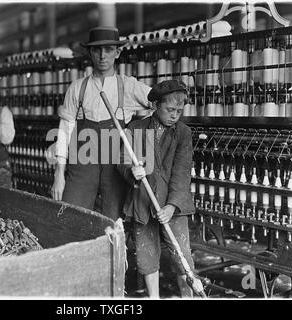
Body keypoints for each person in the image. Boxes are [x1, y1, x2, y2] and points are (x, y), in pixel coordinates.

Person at [51, 26, 152, 221]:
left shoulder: (128, 86)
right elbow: (65, 131)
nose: (102, 56)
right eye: (97, 50)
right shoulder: (77, 88)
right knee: (71, 214)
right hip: (82, 162)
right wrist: (59, 175)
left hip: (115, 164)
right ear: (90, 52)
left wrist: (141, 139)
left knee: (113, 220)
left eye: (108, 50)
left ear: (118, 52)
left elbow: (161, 102)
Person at [117, 80, 196, 297]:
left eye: (179, 111)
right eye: (170, 110)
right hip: (143, 201)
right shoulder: (135, 129)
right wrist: (131, 171)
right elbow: (122, 160)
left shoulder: (183, 133)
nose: (175, 115)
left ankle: (188, 296)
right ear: (154, 106)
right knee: (147, 255)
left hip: (174, 206)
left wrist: (172, 206)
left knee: (182, 256)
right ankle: (153, 297)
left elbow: (181, 173)